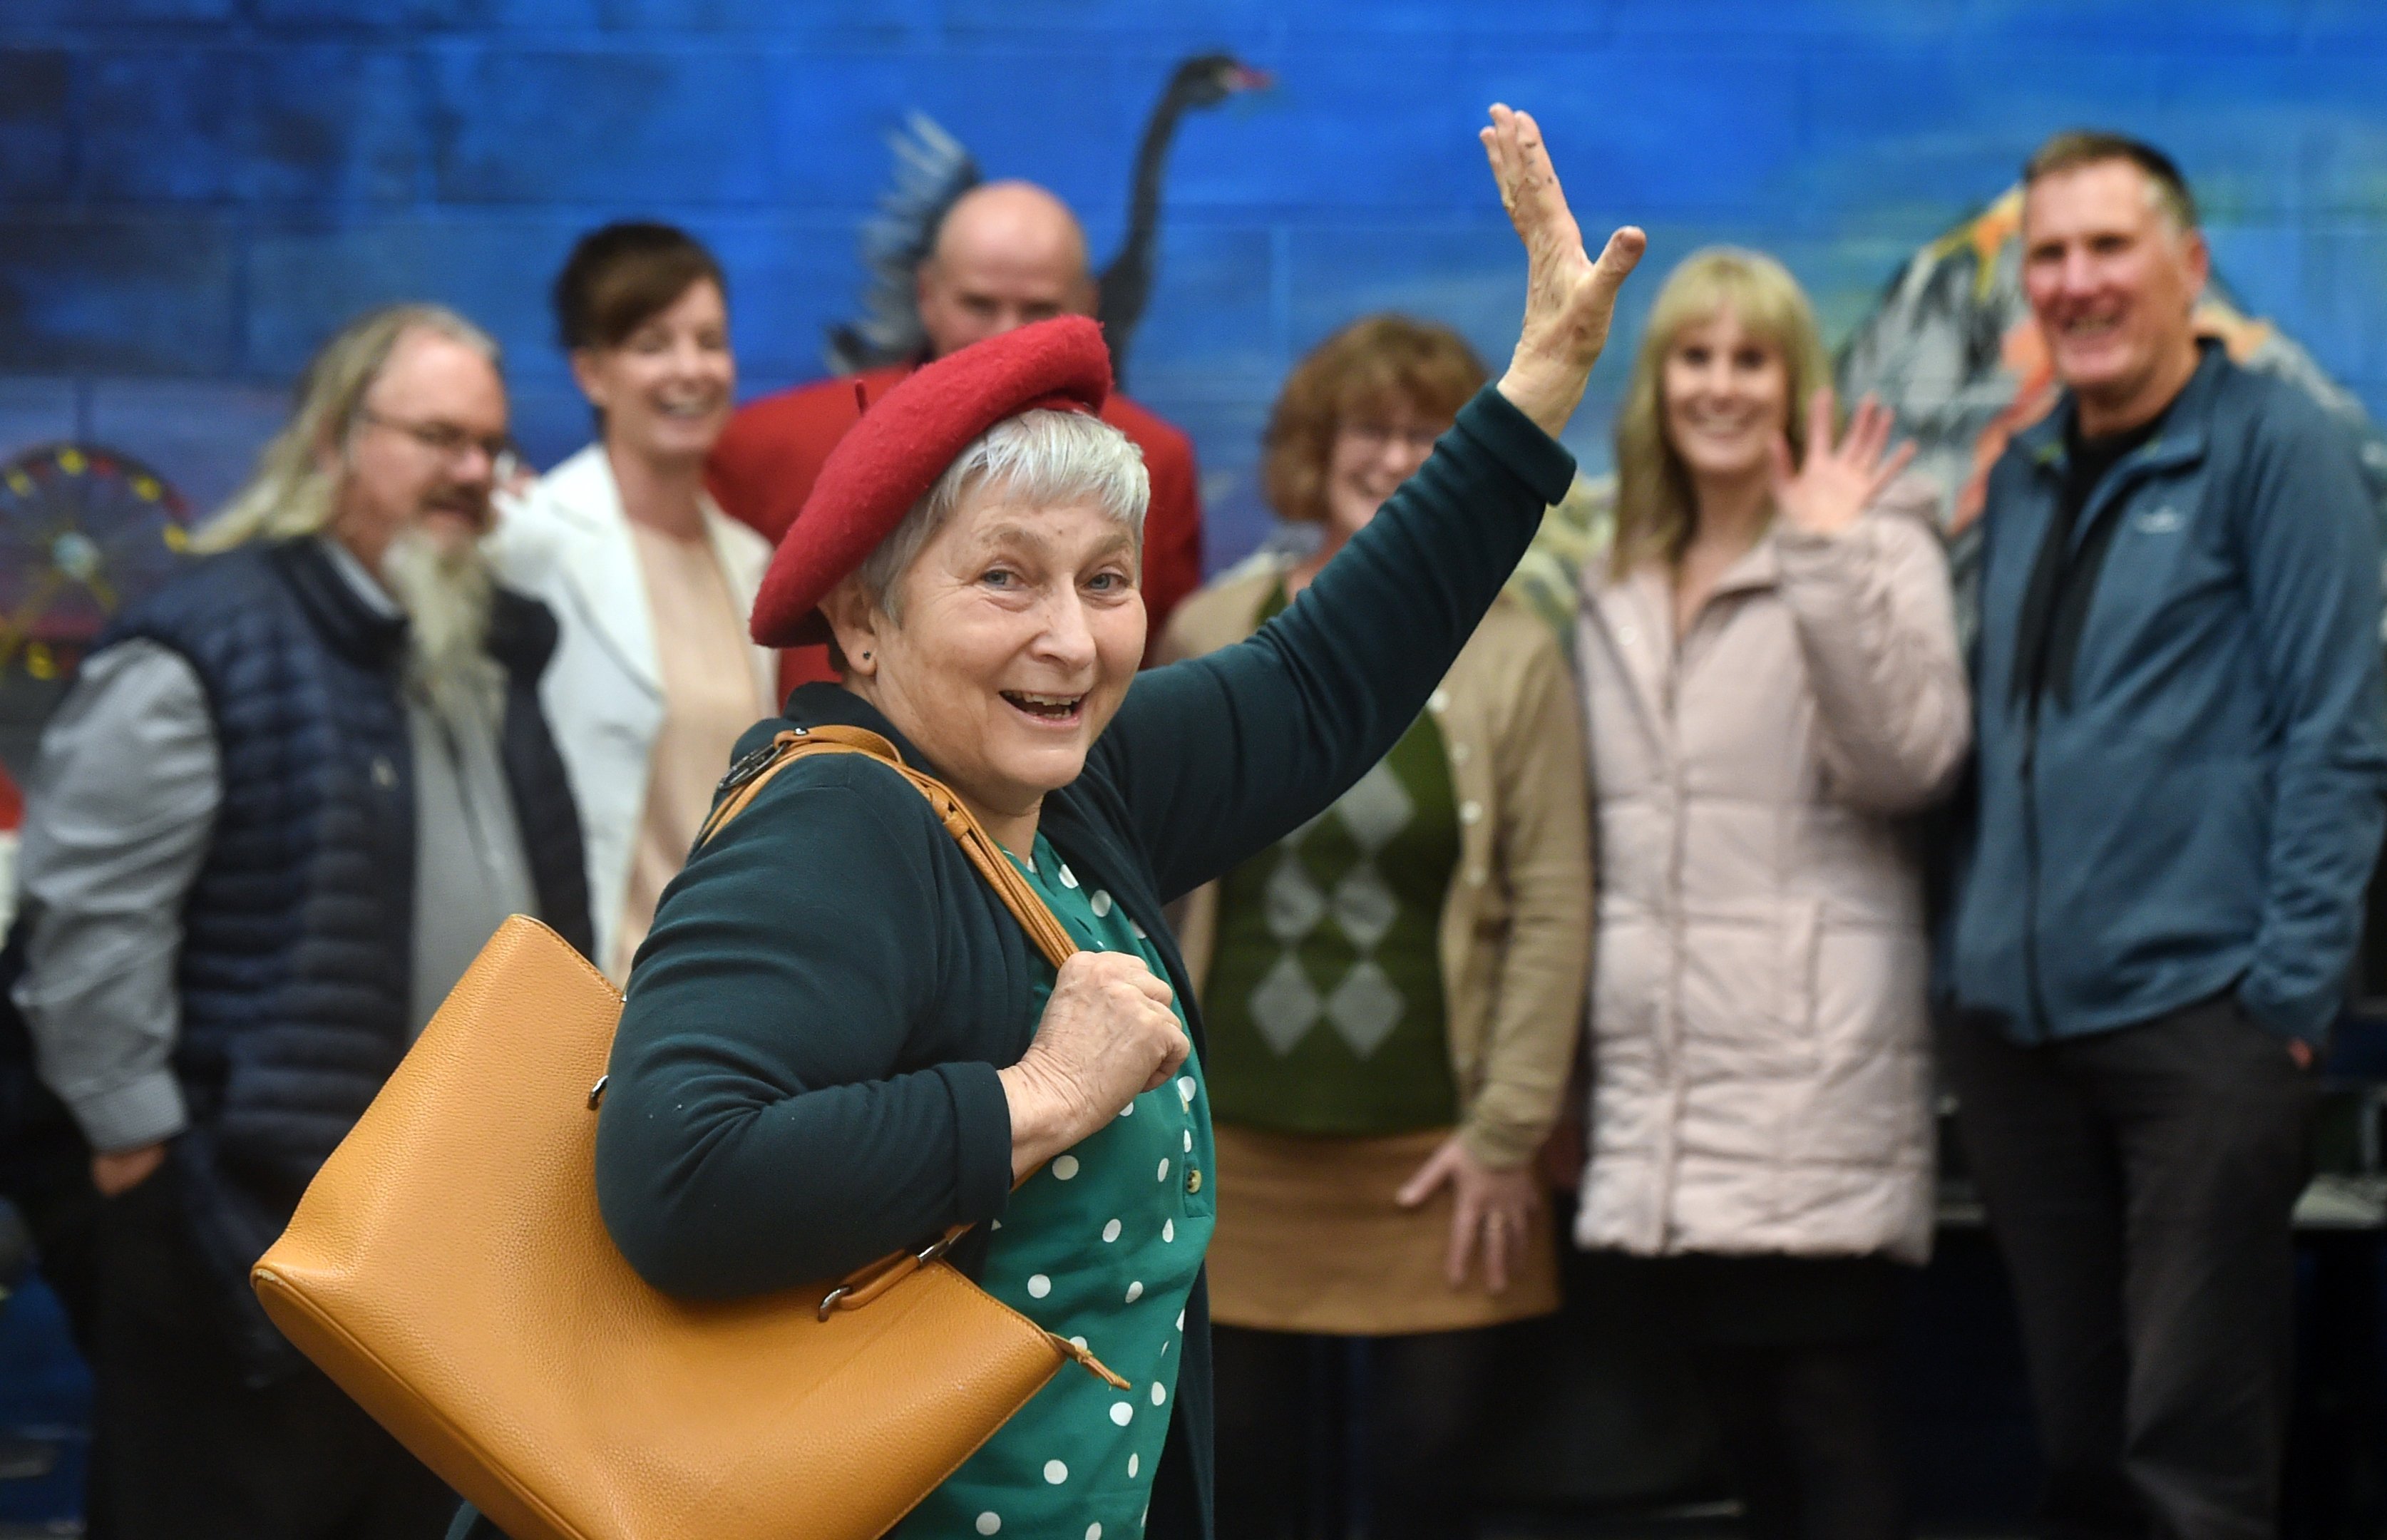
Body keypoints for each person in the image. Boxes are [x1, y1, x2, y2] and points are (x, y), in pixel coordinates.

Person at [449, 105, 1643, 1540]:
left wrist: (1533, 398)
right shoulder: (838, 820)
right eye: (1004, 579)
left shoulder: (1073, 788)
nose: (1072, 641)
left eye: (1107, 579)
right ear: (865, 620)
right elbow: (678, 1179)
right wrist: (1040, 1098)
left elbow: (1327, 678)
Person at [11, 304, 592, 1539]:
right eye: (437, 436)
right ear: (333, 439)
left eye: (489, 444)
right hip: (236, 1251)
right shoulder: (208, 644)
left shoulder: (483, 644)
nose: (472, 474)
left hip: (431, 1272)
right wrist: (142, 1162)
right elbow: (81, 935)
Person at [1943, 132, 2387, 1539]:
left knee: (2188, 1461)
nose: (2074, 282)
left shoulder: (2278, 445)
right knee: (2078, 1450)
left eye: (2107, 248)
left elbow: (2342, 725)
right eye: (2049, 256)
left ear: (2187, 268)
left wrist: (2284, 1008)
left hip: (2205, 1030)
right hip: (2017, 1042)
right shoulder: (2023, 474)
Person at [1158, 314, 1591, 1540]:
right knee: (1238, 1474)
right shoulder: (1208, 631)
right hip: (1227, 1159)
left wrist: (1509, 1129)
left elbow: (1556, 901)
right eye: (1369, 429)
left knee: (1430, 1470)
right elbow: (1132, 887)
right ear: (1314, 448)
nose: (1396, 458)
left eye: (1427, 434)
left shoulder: (1515, 657)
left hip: (1440, 1164)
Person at [1574, 248, 1968, 1539]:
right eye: (1695, 356)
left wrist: (1819, 557)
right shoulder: (1616, 575)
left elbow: (1907, 762)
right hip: (1671, 1102)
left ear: (1793, 380)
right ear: (1658, 383)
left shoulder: (1873, 543)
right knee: (1741, 1450)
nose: (1720, 386)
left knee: (1831, 1439)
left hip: (1812, 1090)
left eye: (1750, 359)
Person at [705, 179, 1205, 687]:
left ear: (1088, 304)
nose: (1006, 335)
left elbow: (1149, 679)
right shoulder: (775, 447)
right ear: (927, 295)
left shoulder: (1154, 461)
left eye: (1038, 309)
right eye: (979, 304)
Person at [489, 222, 776, 980]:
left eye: (709, 340)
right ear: (591, 372)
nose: (691, 369)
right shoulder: (528, 542)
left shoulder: (750, 563)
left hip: (722, 994)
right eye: (653, 343)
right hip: (586, 996)